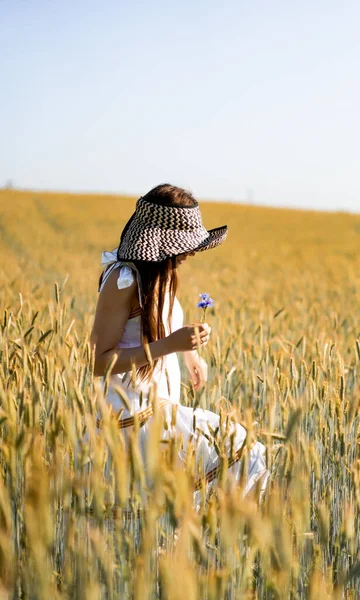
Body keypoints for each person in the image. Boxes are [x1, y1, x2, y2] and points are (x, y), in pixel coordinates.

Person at [90, 184, 269, 506]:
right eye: (185, 245)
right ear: (159, 243)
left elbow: (161, 328)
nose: (193, 252)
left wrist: (190, 354)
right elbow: (98, 361)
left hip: (160, 405)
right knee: (244, 450)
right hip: (133, 418)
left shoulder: (162, 274)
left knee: (173, 510)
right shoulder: (123, 280)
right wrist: (170, 346)